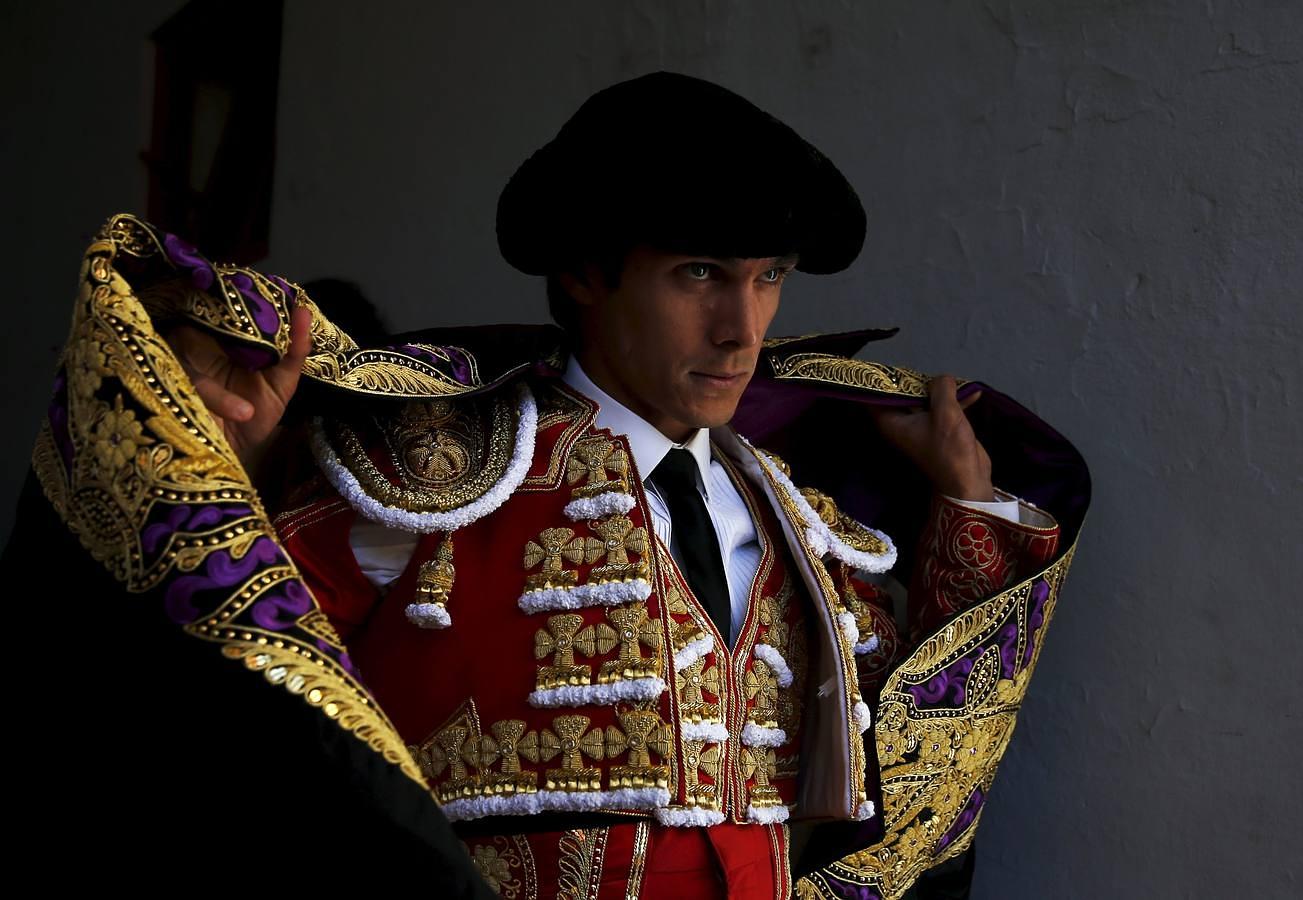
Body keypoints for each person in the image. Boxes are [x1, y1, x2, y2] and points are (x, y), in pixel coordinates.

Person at [15, 73, 1087, 897]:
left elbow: (913, 765)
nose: (743, 329)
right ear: (582, 271)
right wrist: (227, 473)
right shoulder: (429, 477)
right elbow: (240, 702)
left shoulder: (799, 518)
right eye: (700, 275)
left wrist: (968, 514)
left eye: (767, 279)